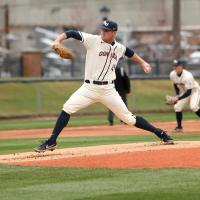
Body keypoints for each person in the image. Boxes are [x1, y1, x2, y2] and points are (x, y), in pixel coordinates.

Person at [34, 20, 173, 152]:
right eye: (102, 29)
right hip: (88, 88)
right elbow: (72, 33)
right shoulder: (93, 40)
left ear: (114, 33)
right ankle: (51, 141)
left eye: (106, 31)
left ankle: (160, 133)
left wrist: (143, 63)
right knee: (67, 108)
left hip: (108, 90)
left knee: (129, 119)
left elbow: (130, 53)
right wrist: (58, 40)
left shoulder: (119, 48)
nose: (103, 32)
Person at [170, 59, 200, 132]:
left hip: (194, 90)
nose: (176, 68)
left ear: (182, 66)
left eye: (178, 66)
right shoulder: (172, 74)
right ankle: (179, 127)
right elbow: (175, 85)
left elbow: (189, 92)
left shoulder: (188, 76)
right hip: (184, 91)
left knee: (193, 107)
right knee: (177, 107)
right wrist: (177, 95)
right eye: (175, 66)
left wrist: (178, 98)